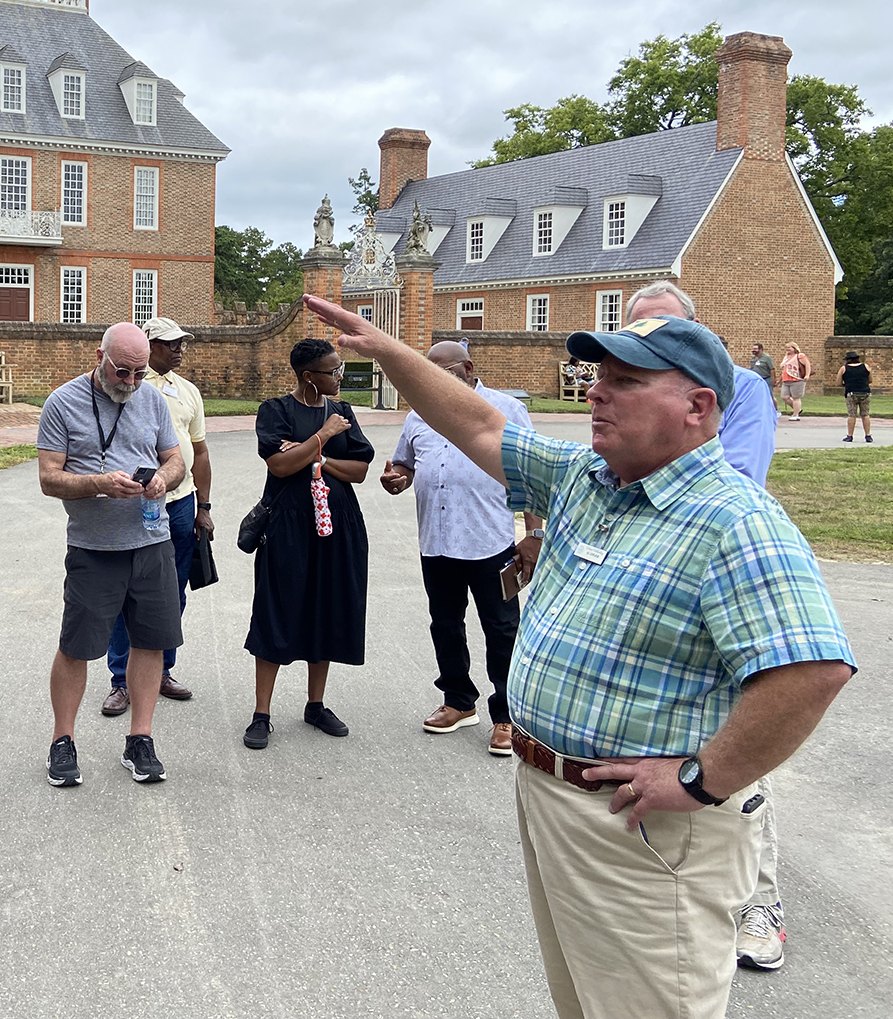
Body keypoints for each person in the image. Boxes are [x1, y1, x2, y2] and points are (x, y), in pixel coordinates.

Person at [306, 292, 856, 1019]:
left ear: (697, 407)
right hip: (554, 800)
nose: (596, 389)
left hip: (644, 830)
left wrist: (699, 779)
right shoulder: (585, 479)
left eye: (626, 381)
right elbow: (473, 420)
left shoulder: (734, 520)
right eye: (598, 374)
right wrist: (389, 349)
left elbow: (812, 671)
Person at [624, 282, 792, 972]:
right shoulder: (631, 394)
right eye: (637, 333)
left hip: (718, 576)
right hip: (646, 578)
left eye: (663, 328)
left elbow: (738, 476)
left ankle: (761, 901)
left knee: (740, 742)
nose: (649, 340)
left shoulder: (742, 389)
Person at [37, 323, 185, 787]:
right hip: (93, 548)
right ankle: (63, 741)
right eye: (123, 371)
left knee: (151, 641)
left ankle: (139, 738)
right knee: (77, 647)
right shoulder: (63, 402)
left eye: (140, 373)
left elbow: (176, 459)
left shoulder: (151, 399)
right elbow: (48, 478)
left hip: (151, 541)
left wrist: (165, 478)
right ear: (98, 355)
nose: (131, 382)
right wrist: (99, 483)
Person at [381, 342, 541, 757]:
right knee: (445, 623)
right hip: (436, 541)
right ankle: (458, 701)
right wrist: (397, 477)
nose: (435, 380)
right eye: (428, 372)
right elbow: (405, 464)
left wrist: (534, 535)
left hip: (492, 542)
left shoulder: (506, 410)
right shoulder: (420, 414)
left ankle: (507, 717)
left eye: (445, 371)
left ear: (468, 367)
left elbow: (532, 474)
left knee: (502, 629)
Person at [243, 338, 374, 750]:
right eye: (332, 371)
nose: (339, 376)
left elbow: (359, 470)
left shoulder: (343, 410)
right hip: (287, 526)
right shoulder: (276, 411)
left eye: (339, 369)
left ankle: (315, 705)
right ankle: (261, 713)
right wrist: (323, 435)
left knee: (328, 608)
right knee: (277, 610)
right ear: (307, 376)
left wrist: (314, 455)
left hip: (339, 525)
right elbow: (280, 466)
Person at [101, 317, 209, 716]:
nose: (179, 349)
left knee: (171, 593)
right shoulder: (128, 389)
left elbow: (200, 452)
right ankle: (120, 680)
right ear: (148, 346)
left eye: (183, 343)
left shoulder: (188, 392)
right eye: (170, 343)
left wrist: (205, 506)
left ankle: (161, 668)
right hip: (132, 506)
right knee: (122, 594)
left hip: (179, 503)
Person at [626, 283, 777, 487]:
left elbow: (742, 475)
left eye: (668, 327)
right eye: (642, 329)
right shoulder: (620, 389)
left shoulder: (746, 387)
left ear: (696, 327)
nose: (655, 339)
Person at [839, 351, 873, 443]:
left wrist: (847, 384)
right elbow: (870, 380)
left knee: (852, 414)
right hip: (865, 392)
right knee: (865, 414)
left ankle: (850, 436)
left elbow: (838, 382)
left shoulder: (844, 369)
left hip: (851, 393)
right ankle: (868, 435)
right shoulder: (865, 366)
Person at [779, 341, 811, 421]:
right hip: (786, 379)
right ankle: (797, 409)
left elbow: (807, 365)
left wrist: (807, 375)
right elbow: (784, 369)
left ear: (794, 348)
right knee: (784, 397)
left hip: (797, 379)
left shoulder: (800, 356)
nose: (787, 349)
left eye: (789, 348)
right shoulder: (786, 357)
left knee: (796, 397)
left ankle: (796, 414)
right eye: (786, 348)